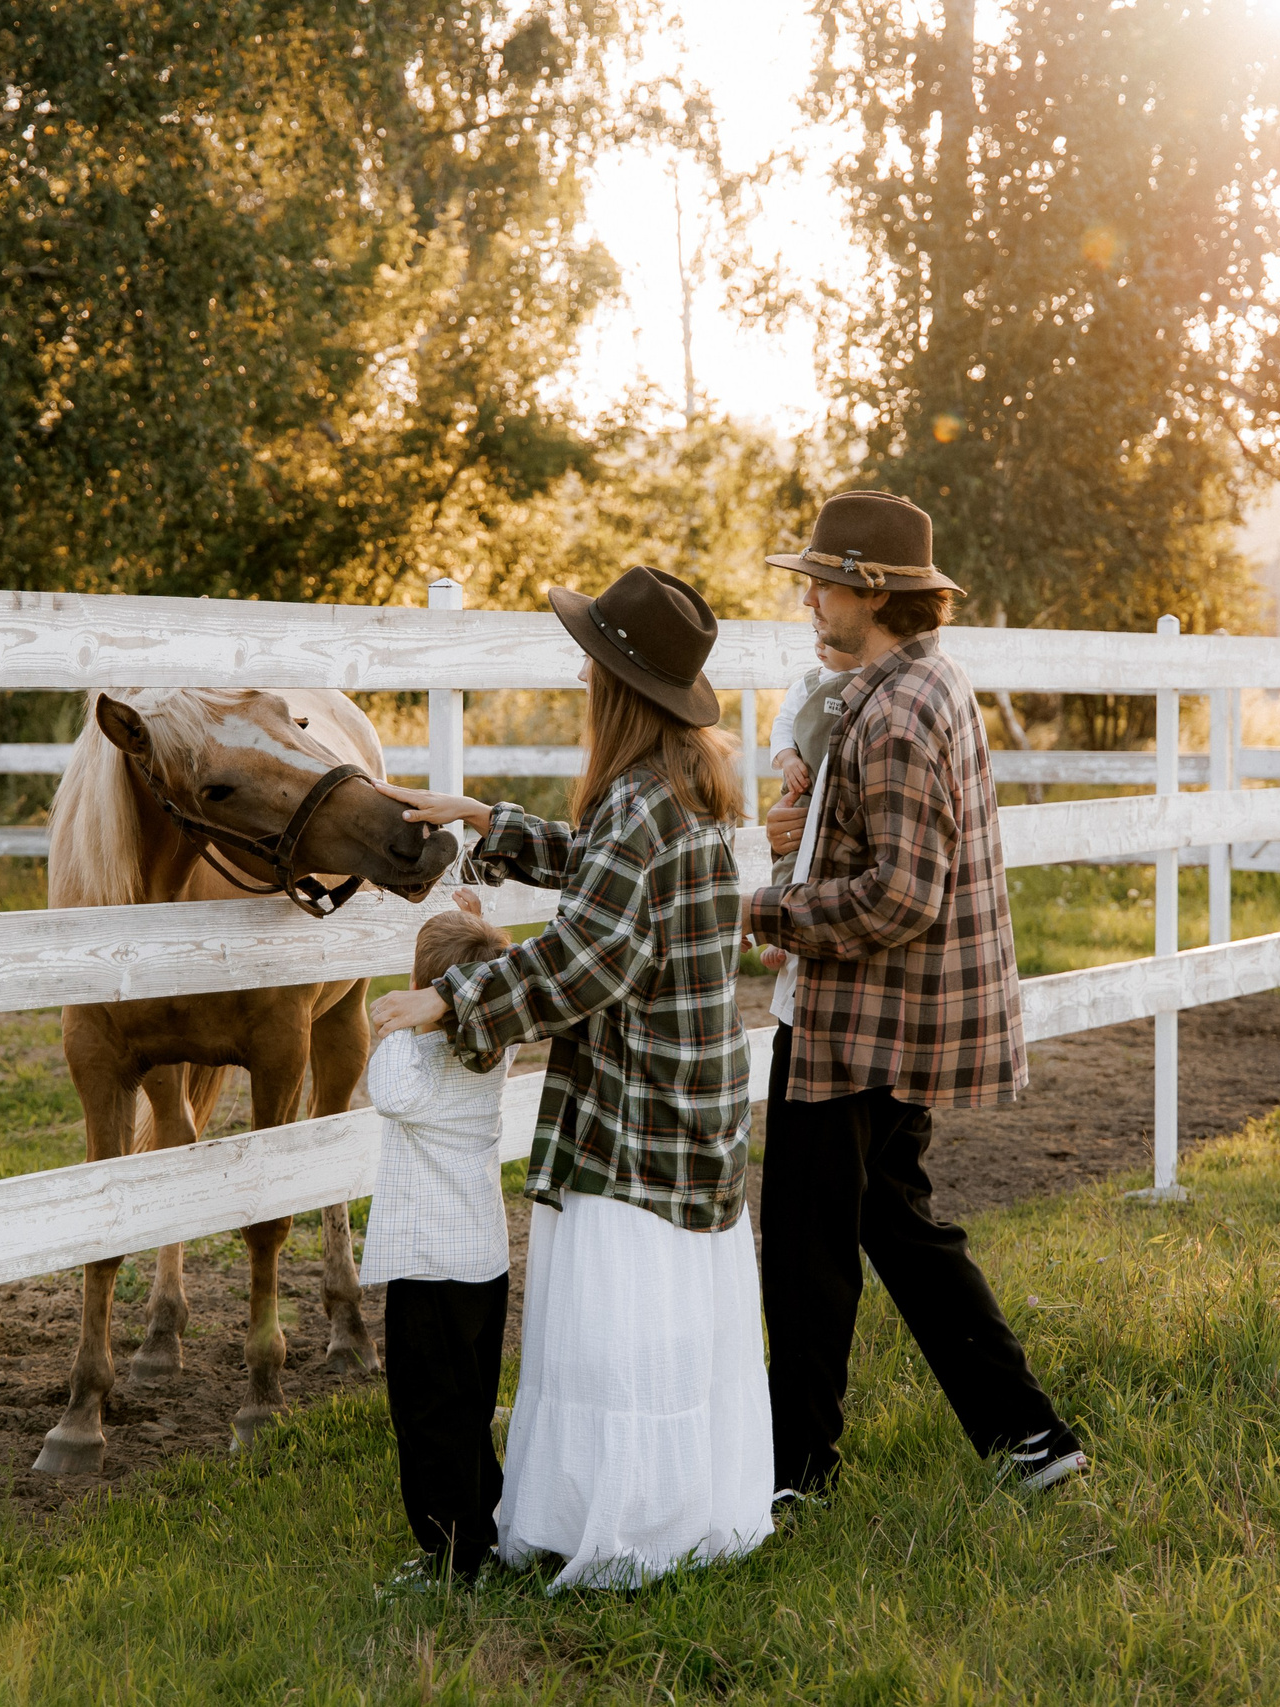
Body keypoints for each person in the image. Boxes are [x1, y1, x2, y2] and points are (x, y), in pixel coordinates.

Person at [367, 565, 772, 1591]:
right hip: (697, 1101)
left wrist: (453, 1002)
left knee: (616, 1332)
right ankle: (684, 1512)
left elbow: (588, 957)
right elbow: (602, 867)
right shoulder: (683, 786)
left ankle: (620, 1526)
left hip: (634, 1115)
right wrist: (484, 819)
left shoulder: (639, 803)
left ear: (615, 688)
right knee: (678, 1328)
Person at [744, 490, 1087, 1501]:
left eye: (823, 582)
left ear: (873, 592)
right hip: (899, 1016)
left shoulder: (892, 714)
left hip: (855, 1023)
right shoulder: (925, 682)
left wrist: (771, 913)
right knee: (899, 1228)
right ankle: (1029, 1434)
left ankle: (794, 1473)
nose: (809, 598)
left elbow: (901, 894)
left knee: (806, 1255)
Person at [362, 893, 516, 1584]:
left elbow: (385, 1089)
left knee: (427, 1413)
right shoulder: (495, 1053)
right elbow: (482, 992)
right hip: (482, 1265)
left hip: (429, 1269)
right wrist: (477, 938)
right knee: (470, 1405)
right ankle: (479, 1530)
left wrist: (397, 1020)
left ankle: (452, 1556)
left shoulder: (414, 1068)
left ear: (430, 993)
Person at [755, 637, 860, 974]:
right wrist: (786, 758)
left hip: (839, 795)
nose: (820, 645)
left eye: (831, 641)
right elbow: (783, 724)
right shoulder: (808, 684)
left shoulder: (869, 682)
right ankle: (777, 932)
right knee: (788, 856)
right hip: (805, 786)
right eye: (817, 639)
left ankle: (808, 925)